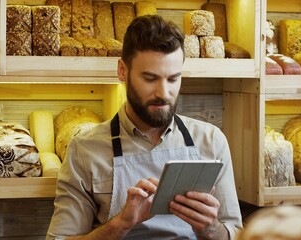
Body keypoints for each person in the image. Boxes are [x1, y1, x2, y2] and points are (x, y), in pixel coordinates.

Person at [47, 15, 243, 240]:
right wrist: (121, 223)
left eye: (173, 79)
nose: (163, 92)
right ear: (122, 71)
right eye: (150, 78)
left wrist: (210, 228)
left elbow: (235, 233)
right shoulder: (84, 150)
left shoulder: (211, 141)